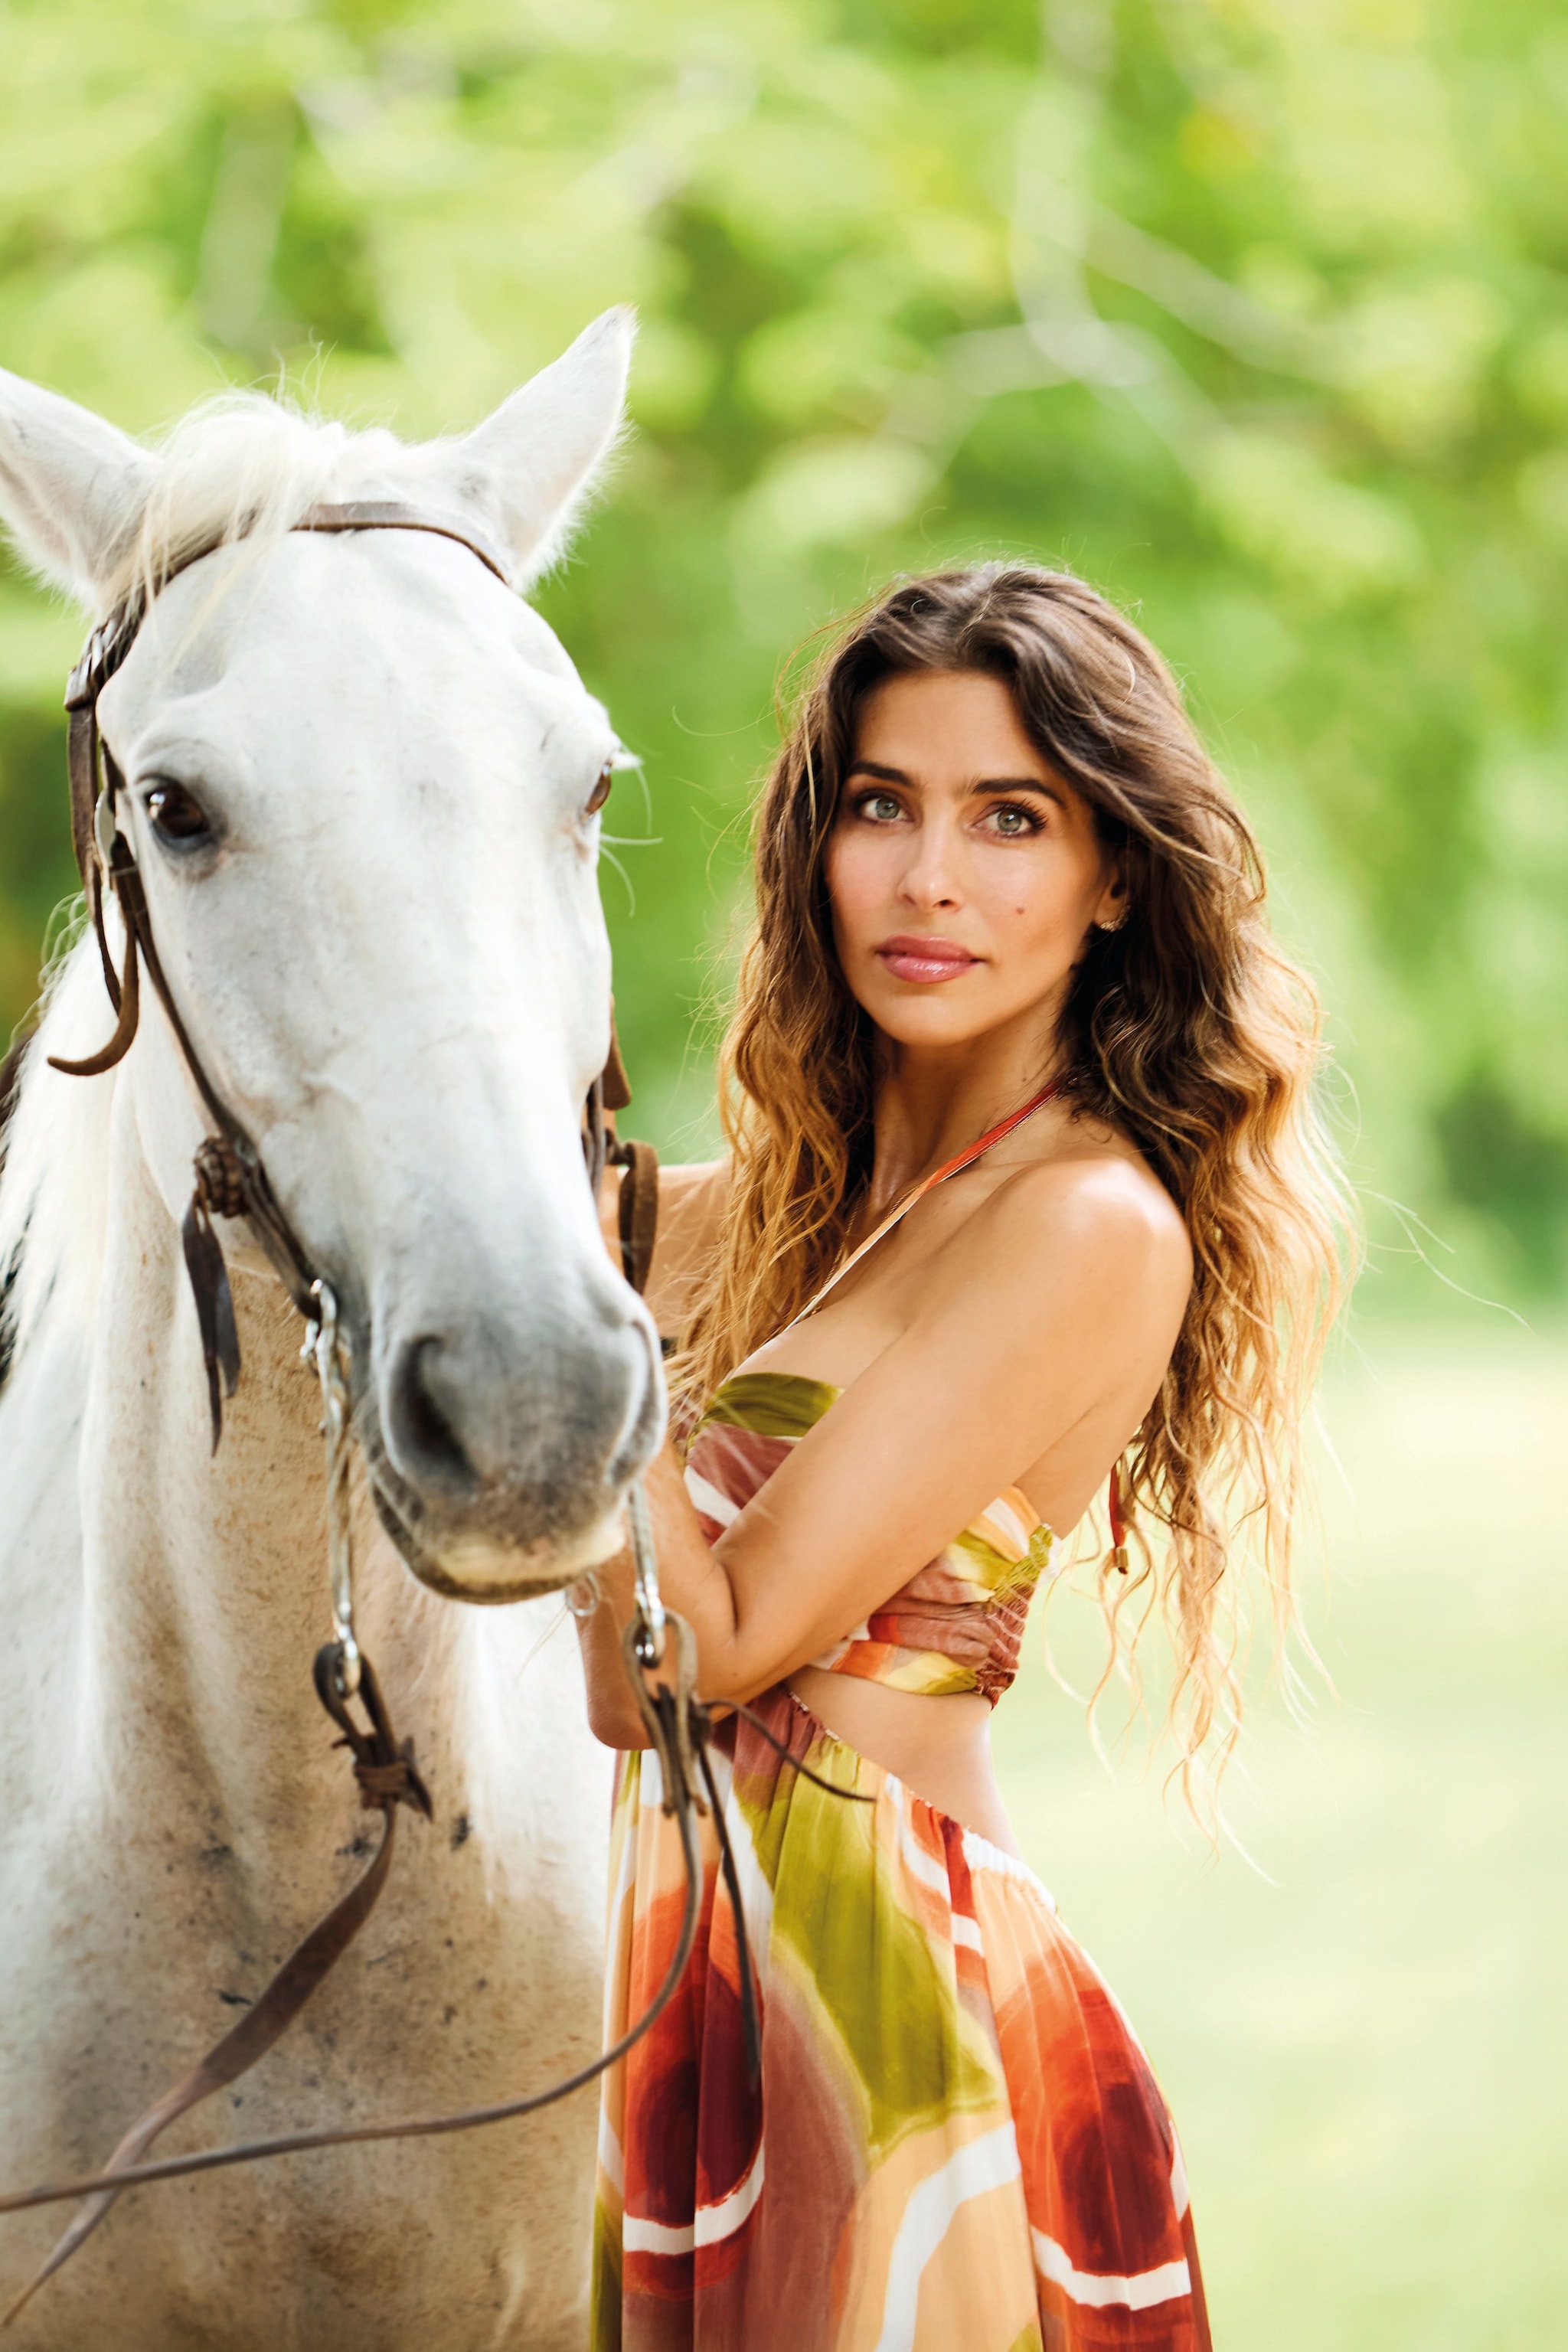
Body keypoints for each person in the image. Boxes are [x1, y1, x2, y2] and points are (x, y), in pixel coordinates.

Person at [577, 564, 1347, 2352]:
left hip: (881, 2026)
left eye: (1011, 818)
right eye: (879, 805)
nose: (930, 878)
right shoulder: (798, 1216)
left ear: (1112, 882)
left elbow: (696, 1648)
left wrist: (561, 1321)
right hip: (682, 1997)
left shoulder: (1083, 1223)